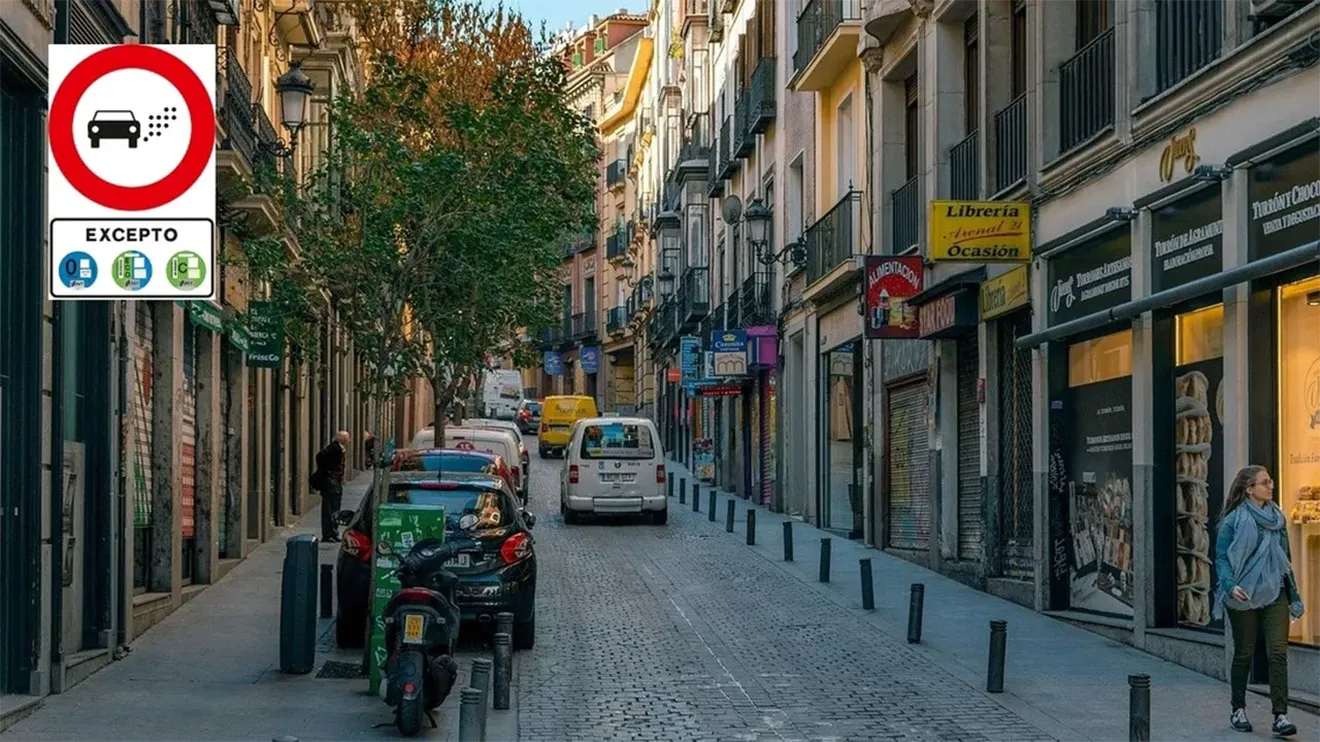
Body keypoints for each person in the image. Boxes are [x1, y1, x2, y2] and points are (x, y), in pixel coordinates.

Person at [1214, 465, 1304, 736]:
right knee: (1244, 652)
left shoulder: (1278, 518)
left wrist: (1293, 594)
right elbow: (1221, 558)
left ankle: (1280, 716)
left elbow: (1284, 559)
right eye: (1265, 483)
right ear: (1249, 489)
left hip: (1275, 592)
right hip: (1243, 593)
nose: (1271, 486)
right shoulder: (1233, 521)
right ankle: (1238, 709)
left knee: (1278, 653)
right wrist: (1230, 586)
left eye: (1271, 481)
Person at [316, 431, 350, 543]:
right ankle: (328, 533)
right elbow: (320, 457)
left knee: (335, 508)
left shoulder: (339, 449)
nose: (349, 440)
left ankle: (333, 532)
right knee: (330, 508)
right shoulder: (334, 449)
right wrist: (329, 473)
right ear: (343, 439)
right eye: (348, 438)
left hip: (335, 481)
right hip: (331, 482)